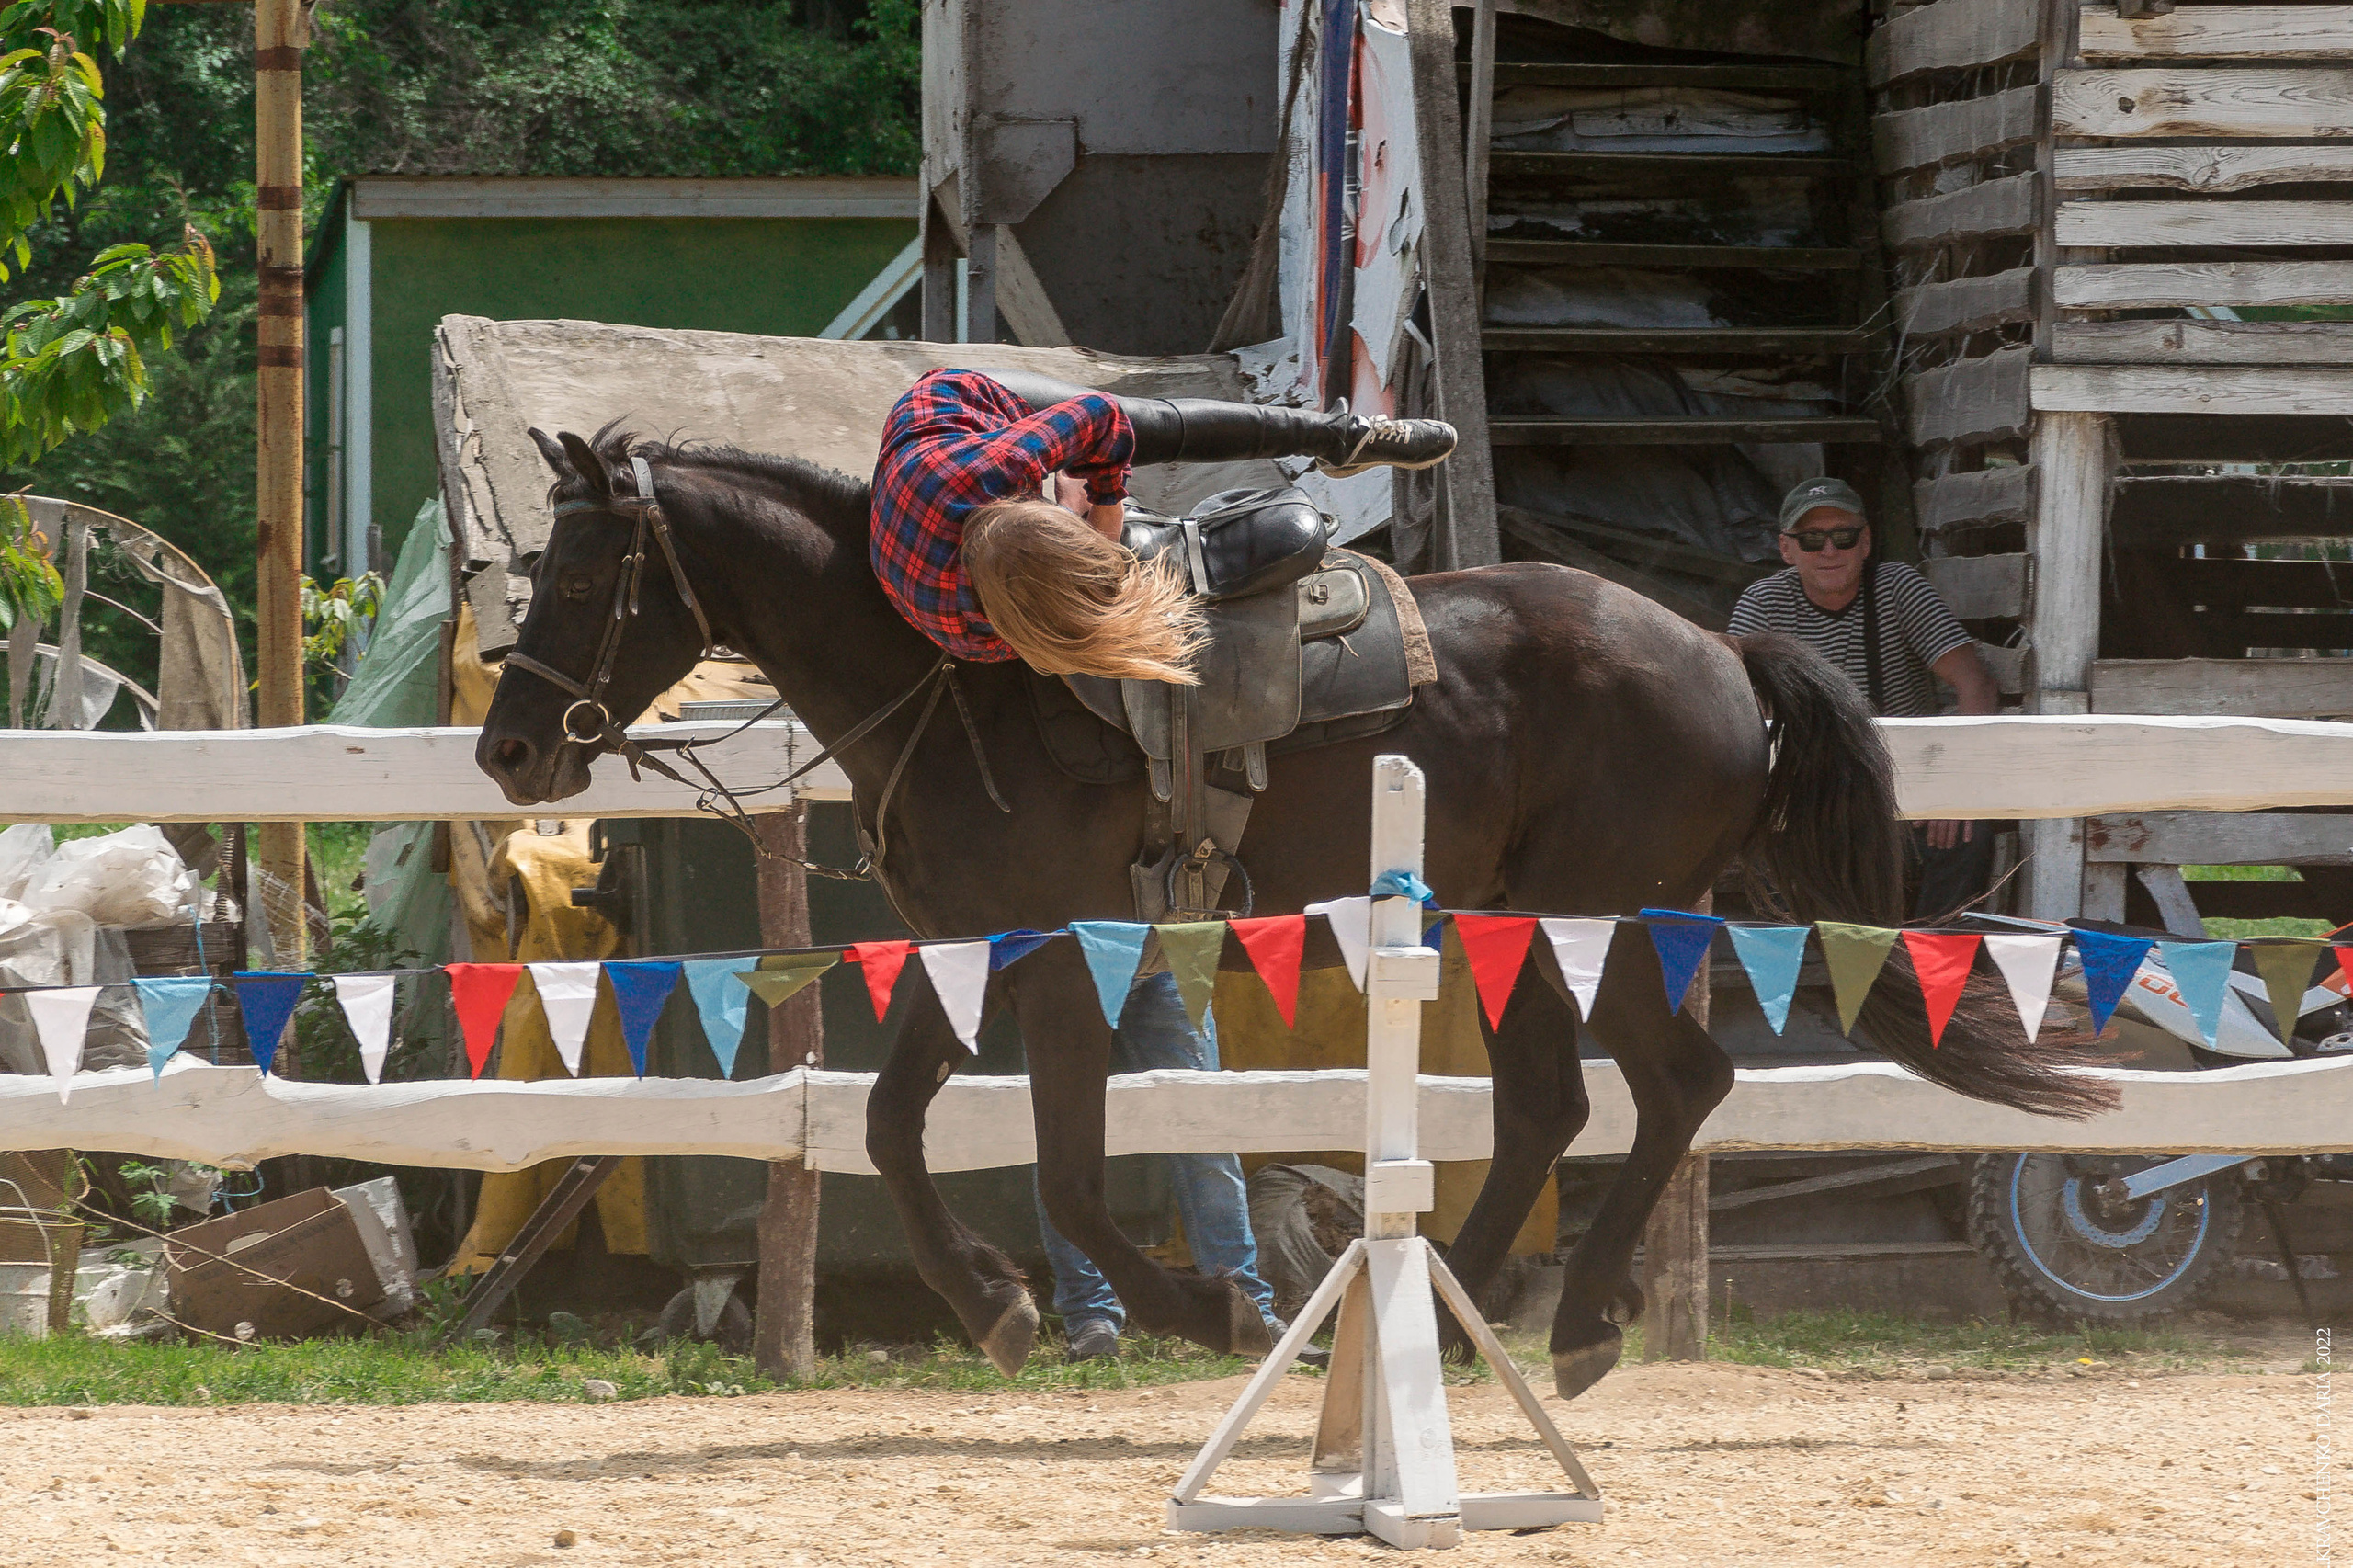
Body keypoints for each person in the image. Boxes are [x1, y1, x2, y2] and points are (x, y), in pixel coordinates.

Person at [872, 369, 1451, 1359]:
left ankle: (1341, 427)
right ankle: (1106, 1308)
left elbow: (1114, 421)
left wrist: (1107, 501)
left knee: (1176, 1078)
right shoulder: (959, 609)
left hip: (996, 443)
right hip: (961, 463)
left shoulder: (1022, 453)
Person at [870, 369, 1454, 684]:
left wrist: (1104, 507)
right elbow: (1058, 639)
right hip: (943, 508)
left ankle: (1341, 436)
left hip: (949, 411)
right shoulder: (976, 639)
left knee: (1141, 423)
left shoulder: (995, 466)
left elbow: (1099, 418)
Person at [1727, 477, 2002, 918]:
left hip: (1904, 792)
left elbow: (1976, 683)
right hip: (1808, 797)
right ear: (1786, 549)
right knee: (1767, 856)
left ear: (1866, 541)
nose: (1829, 551)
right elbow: (1738, 703)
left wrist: (1954, 788)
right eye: (1812, 540)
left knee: (1965, 837)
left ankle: (1936, 973)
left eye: (1844, 536)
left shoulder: (1897, 587)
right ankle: (1808, 975)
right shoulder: (1765, 603)